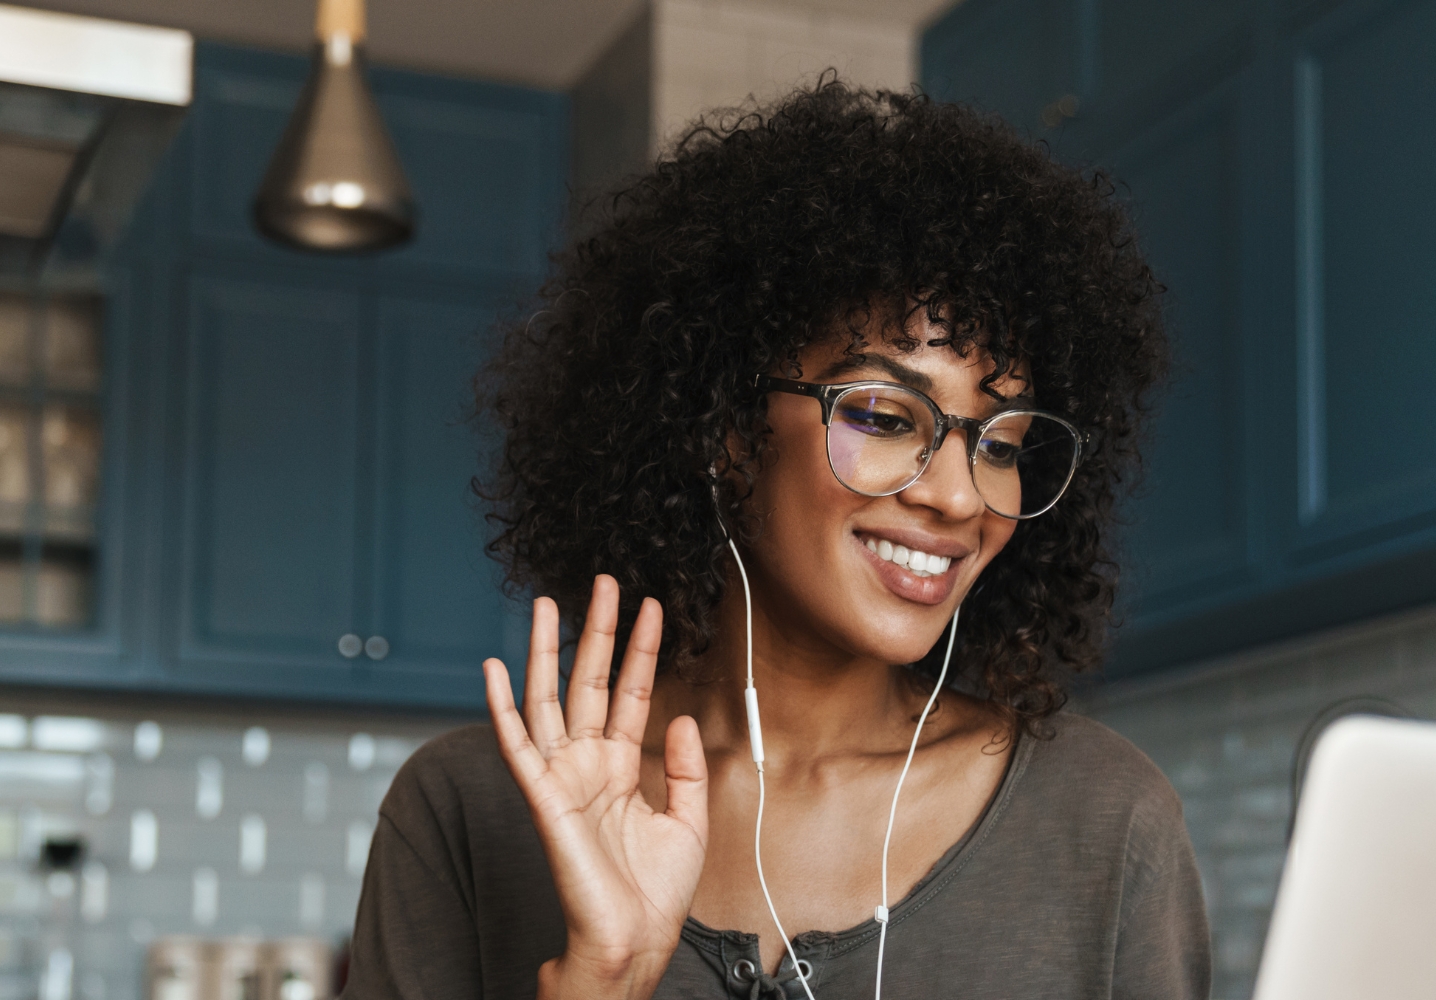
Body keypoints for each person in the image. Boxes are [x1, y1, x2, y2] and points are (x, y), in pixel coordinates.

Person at [342, 81, 1209, 1000]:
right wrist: (601, 982)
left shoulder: (1107, 822)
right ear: (724, 426)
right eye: (882, 416)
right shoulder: (471, 811)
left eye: (1000, 444)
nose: (960, 496)